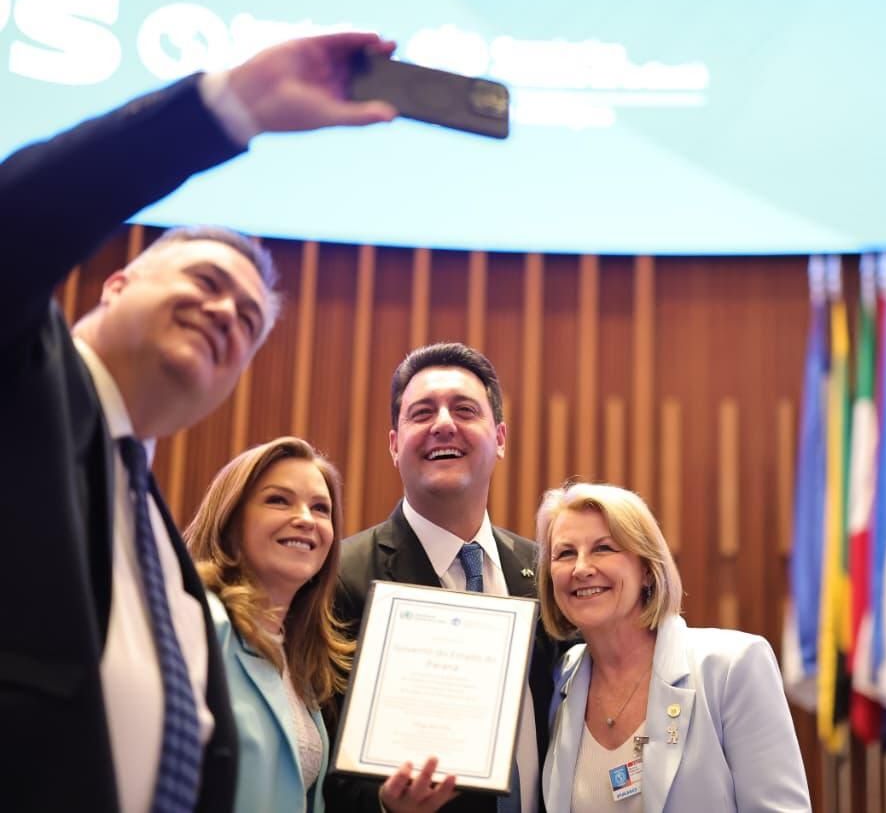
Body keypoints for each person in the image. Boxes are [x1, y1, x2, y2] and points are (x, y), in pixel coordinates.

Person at [0, 31, 398, 811]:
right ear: (116, 285)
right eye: (207, 282)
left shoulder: (157, 546)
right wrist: (231, 106)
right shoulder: (22, 375)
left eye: (248, 319)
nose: (225, 313)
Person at [327, 342, 561, 813]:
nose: (443, 424)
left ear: (500, 438)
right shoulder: (341, 577)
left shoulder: (546, 573)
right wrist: (386, 805)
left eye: (464, 409)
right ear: (395, 445)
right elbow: (320, 759)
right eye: (422, 413)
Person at [185, 437, 459, 813]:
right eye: (278, 500)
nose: (305, 519)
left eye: (320, 508)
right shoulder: (199, 627)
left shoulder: (304, 660)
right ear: (231, 520)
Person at [536, 482, 811, 813]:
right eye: (566, 553)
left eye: (603, 548)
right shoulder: (561, 682)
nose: (581, 568)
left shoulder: (732, 667)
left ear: (646, 570)